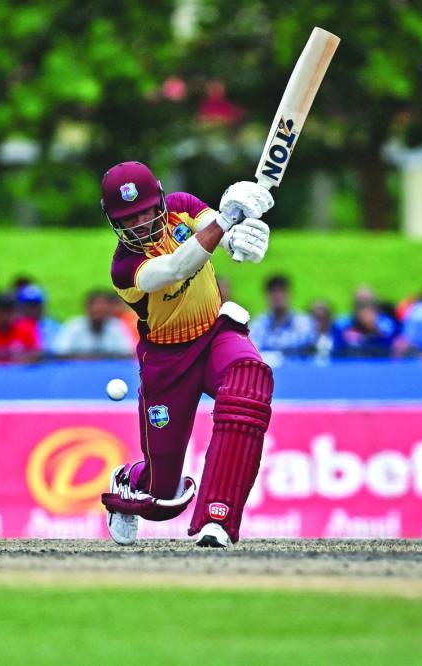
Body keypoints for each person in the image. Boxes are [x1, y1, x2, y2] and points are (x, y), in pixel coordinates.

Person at [96, 161, 274, 549]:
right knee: (163, 499)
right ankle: (130, 484)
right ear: (114, 222)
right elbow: (176, 268)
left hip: (215, 335)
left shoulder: (181, 206)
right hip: (167, 361)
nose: (141, 223)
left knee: (249, 380)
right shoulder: (124, 268)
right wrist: (226, 221)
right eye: (129, 218)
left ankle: (218, 518)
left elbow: (219, 234)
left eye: (146, 210)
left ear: (160, 199)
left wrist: (239, 237)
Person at [51, 289, 135, 359]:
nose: (99, 310)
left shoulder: (116, 326)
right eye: (96, 308)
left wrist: (93, 357)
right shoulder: (74, 326)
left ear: (109, 311)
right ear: (86, 309)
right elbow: (59, 353)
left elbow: (128, 354)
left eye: (102, 309)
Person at [248, 274, 315, 357]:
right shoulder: (258, 323)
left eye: (282, 291)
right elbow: (252, 347)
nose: (277, 296)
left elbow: (309, 346)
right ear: (266, 296)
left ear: (290, 294)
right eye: (273, 292)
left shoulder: (304, 321)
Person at [332, 286, 398, 358]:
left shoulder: (385, 323)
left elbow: (390, 344)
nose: (365, 309)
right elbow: (336, 346)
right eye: (360, 305)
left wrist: (374, 328)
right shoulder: (343, 323)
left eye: (368, 303)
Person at [15, 283, 62, 354]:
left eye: (36, 305)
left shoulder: (55, 327)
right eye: (29, 305)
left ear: (43, 306)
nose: (32, 309)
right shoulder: (15, 326)